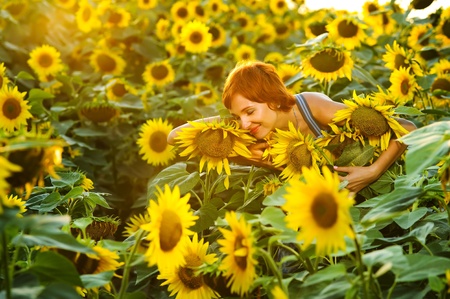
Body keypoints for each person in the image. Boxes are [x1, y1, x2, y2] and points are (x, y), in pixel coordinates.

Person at [167, 60, 417, 193]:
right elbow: (174, 137)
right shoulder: (246, 129)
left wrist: (374, 171)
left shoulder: (312, 107)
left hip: (388, 184)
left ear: (274, 100)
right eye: (236, 115)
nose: (243, 123)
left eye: (249, 111)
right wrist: (233, 142)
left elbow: (409, 128)